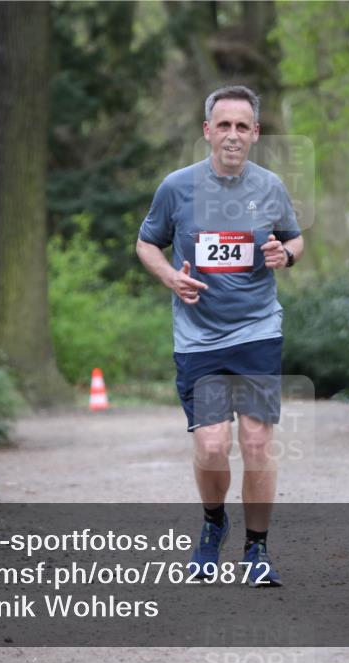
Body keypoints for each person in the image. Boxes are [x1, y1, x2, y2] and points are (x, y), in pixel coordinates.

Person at [136, 85, 303, 587]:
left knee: (256, 441)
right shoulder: (177, 188)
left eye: (242, 126)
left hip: (257, 330)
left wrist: (286, 255)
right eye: (224, 125)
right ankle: (214, 523)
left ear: (256, 133)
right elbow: (146, 244)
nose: (233, 134)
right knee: (211, 446)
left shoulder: (270, 187)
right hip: (199, 337)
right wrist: (171, 277)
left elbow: (294, 238)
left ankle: (257, 548)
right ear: (208, 131)